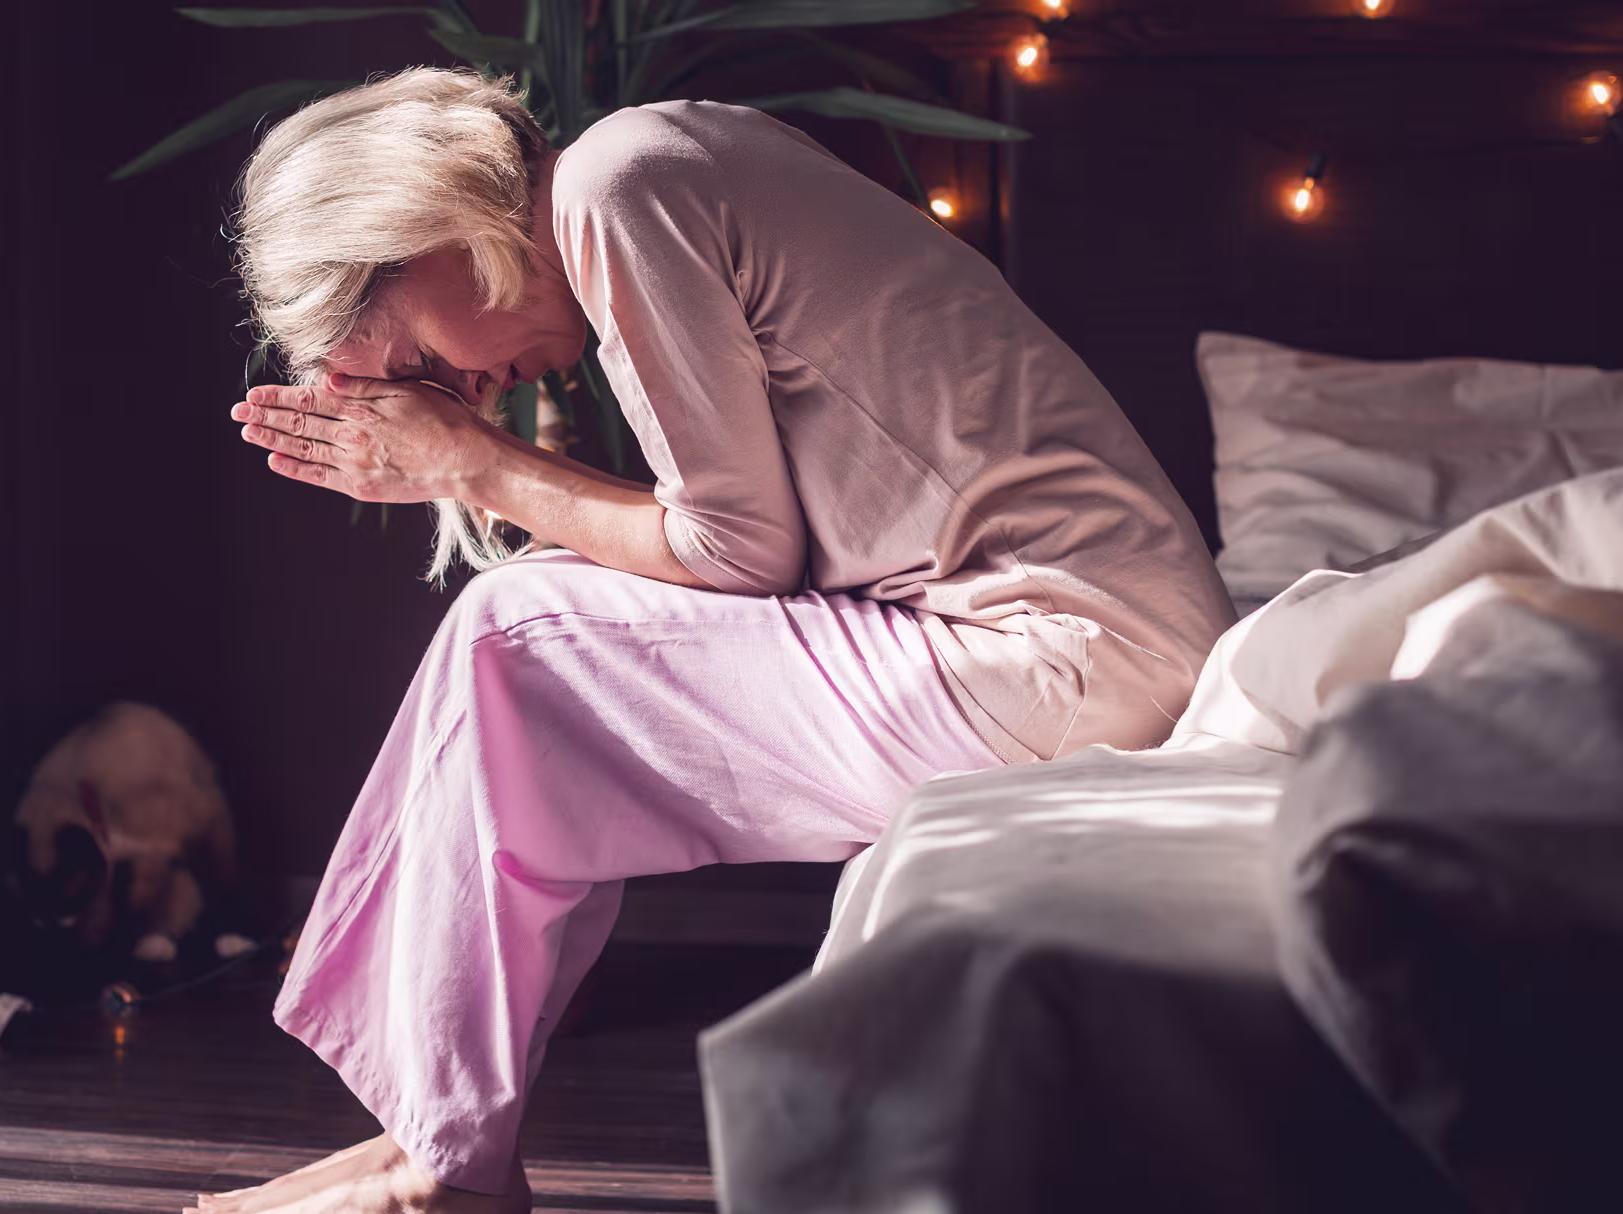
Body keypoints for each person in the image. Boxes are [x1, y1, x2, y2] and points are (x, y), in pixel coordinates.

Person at [192, 68, 1235, 1214]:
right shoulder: (641, 167)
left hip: (1070, 656)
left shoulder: (616, 186)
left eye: (422, 366)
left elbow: (737, 550)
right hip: (1079, 648)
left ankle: (439, 1159)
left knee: (514, 635)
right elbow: (746, 538)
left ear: (421, 224)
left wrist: (474, 464)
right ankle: (432, 1138)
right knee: (531, 627)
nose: (459, 395)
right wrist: (477, 461)